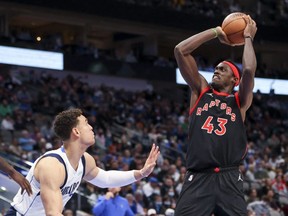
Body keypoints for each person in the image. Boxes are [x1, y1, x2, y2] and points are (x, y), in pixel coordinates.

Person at [173, 15, 257, 216]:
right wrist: (215, 32)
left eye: (223, 69)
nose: (216, 71)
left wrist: (247, 38)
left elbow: (248, 69)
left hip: (229, 179)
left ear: (234, 79)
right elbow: (180, 50)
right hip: (198, 178)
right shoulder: (200, 91)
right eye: (216, 68)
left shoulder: (239, 101)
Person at [5, 108, 160, 216]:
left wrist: (140, 174)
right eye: (86, 123)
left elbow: (105, 179)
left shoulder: (85, 160)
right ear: (76, 131)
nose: (91, 127)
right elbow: (52, 212)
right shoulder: (52, 165)